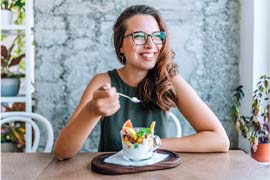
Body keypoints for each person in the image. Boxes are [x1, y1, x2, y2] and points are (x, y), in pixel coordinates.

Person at [54, 5, 230, 160]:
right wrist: (91, 111)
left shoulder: (169, 80)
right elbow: (62, 152)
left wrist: (153, 143)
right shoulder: (104, 82)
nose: (150, 44)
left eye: (156, 36)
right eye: (139, 36)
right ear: (120, 45)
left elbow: (220, 140)